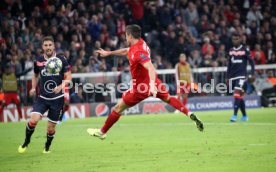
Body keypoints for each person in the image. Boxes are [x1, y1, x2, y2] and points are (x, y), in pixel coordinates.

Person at [87, 25, 204, 140]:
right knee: (168, 98)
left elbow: (151, 68)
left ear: (130, 36)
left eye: (126, 36)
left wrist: (151, 86)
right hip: (154, 82)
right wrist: (109, 53)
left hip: (141, 88)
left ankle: (102, 132)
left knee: (117, 108)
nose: (125, 38)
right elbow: (127, 51)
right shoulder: (141, 43)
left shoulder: (137, 52)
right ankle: (189, 114)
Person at [18, 36, 72, 153]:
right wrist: (33, 87)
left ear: (53, 46)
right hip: (42, 98)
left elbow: (69, 77)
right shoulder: (38, 60)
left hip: (57, 99)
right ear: (42, 47)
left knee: (50, 128)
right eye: (45, 45)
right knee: (33, 120)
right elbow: (35, 75)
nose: (48, 47)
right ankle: (26, 141)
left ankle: (47, 146)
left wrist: (61, 86)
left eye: (50, 45)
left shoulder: (61, 60)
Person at [227, 33, 255, 122]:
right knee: (239, 97)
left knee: (236, 93)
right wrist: (227, 77)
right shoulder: (231, 50)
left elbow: (251, 62)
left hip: (242, 76)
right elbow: (229, 65)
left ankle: (234, 116)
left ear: (240, 39)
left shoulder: (244, 50)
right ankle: (245, 116)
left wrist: (252, 73)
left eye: (236, 39)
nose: (235, 41)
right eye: (233, 39)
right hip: (233, 76)